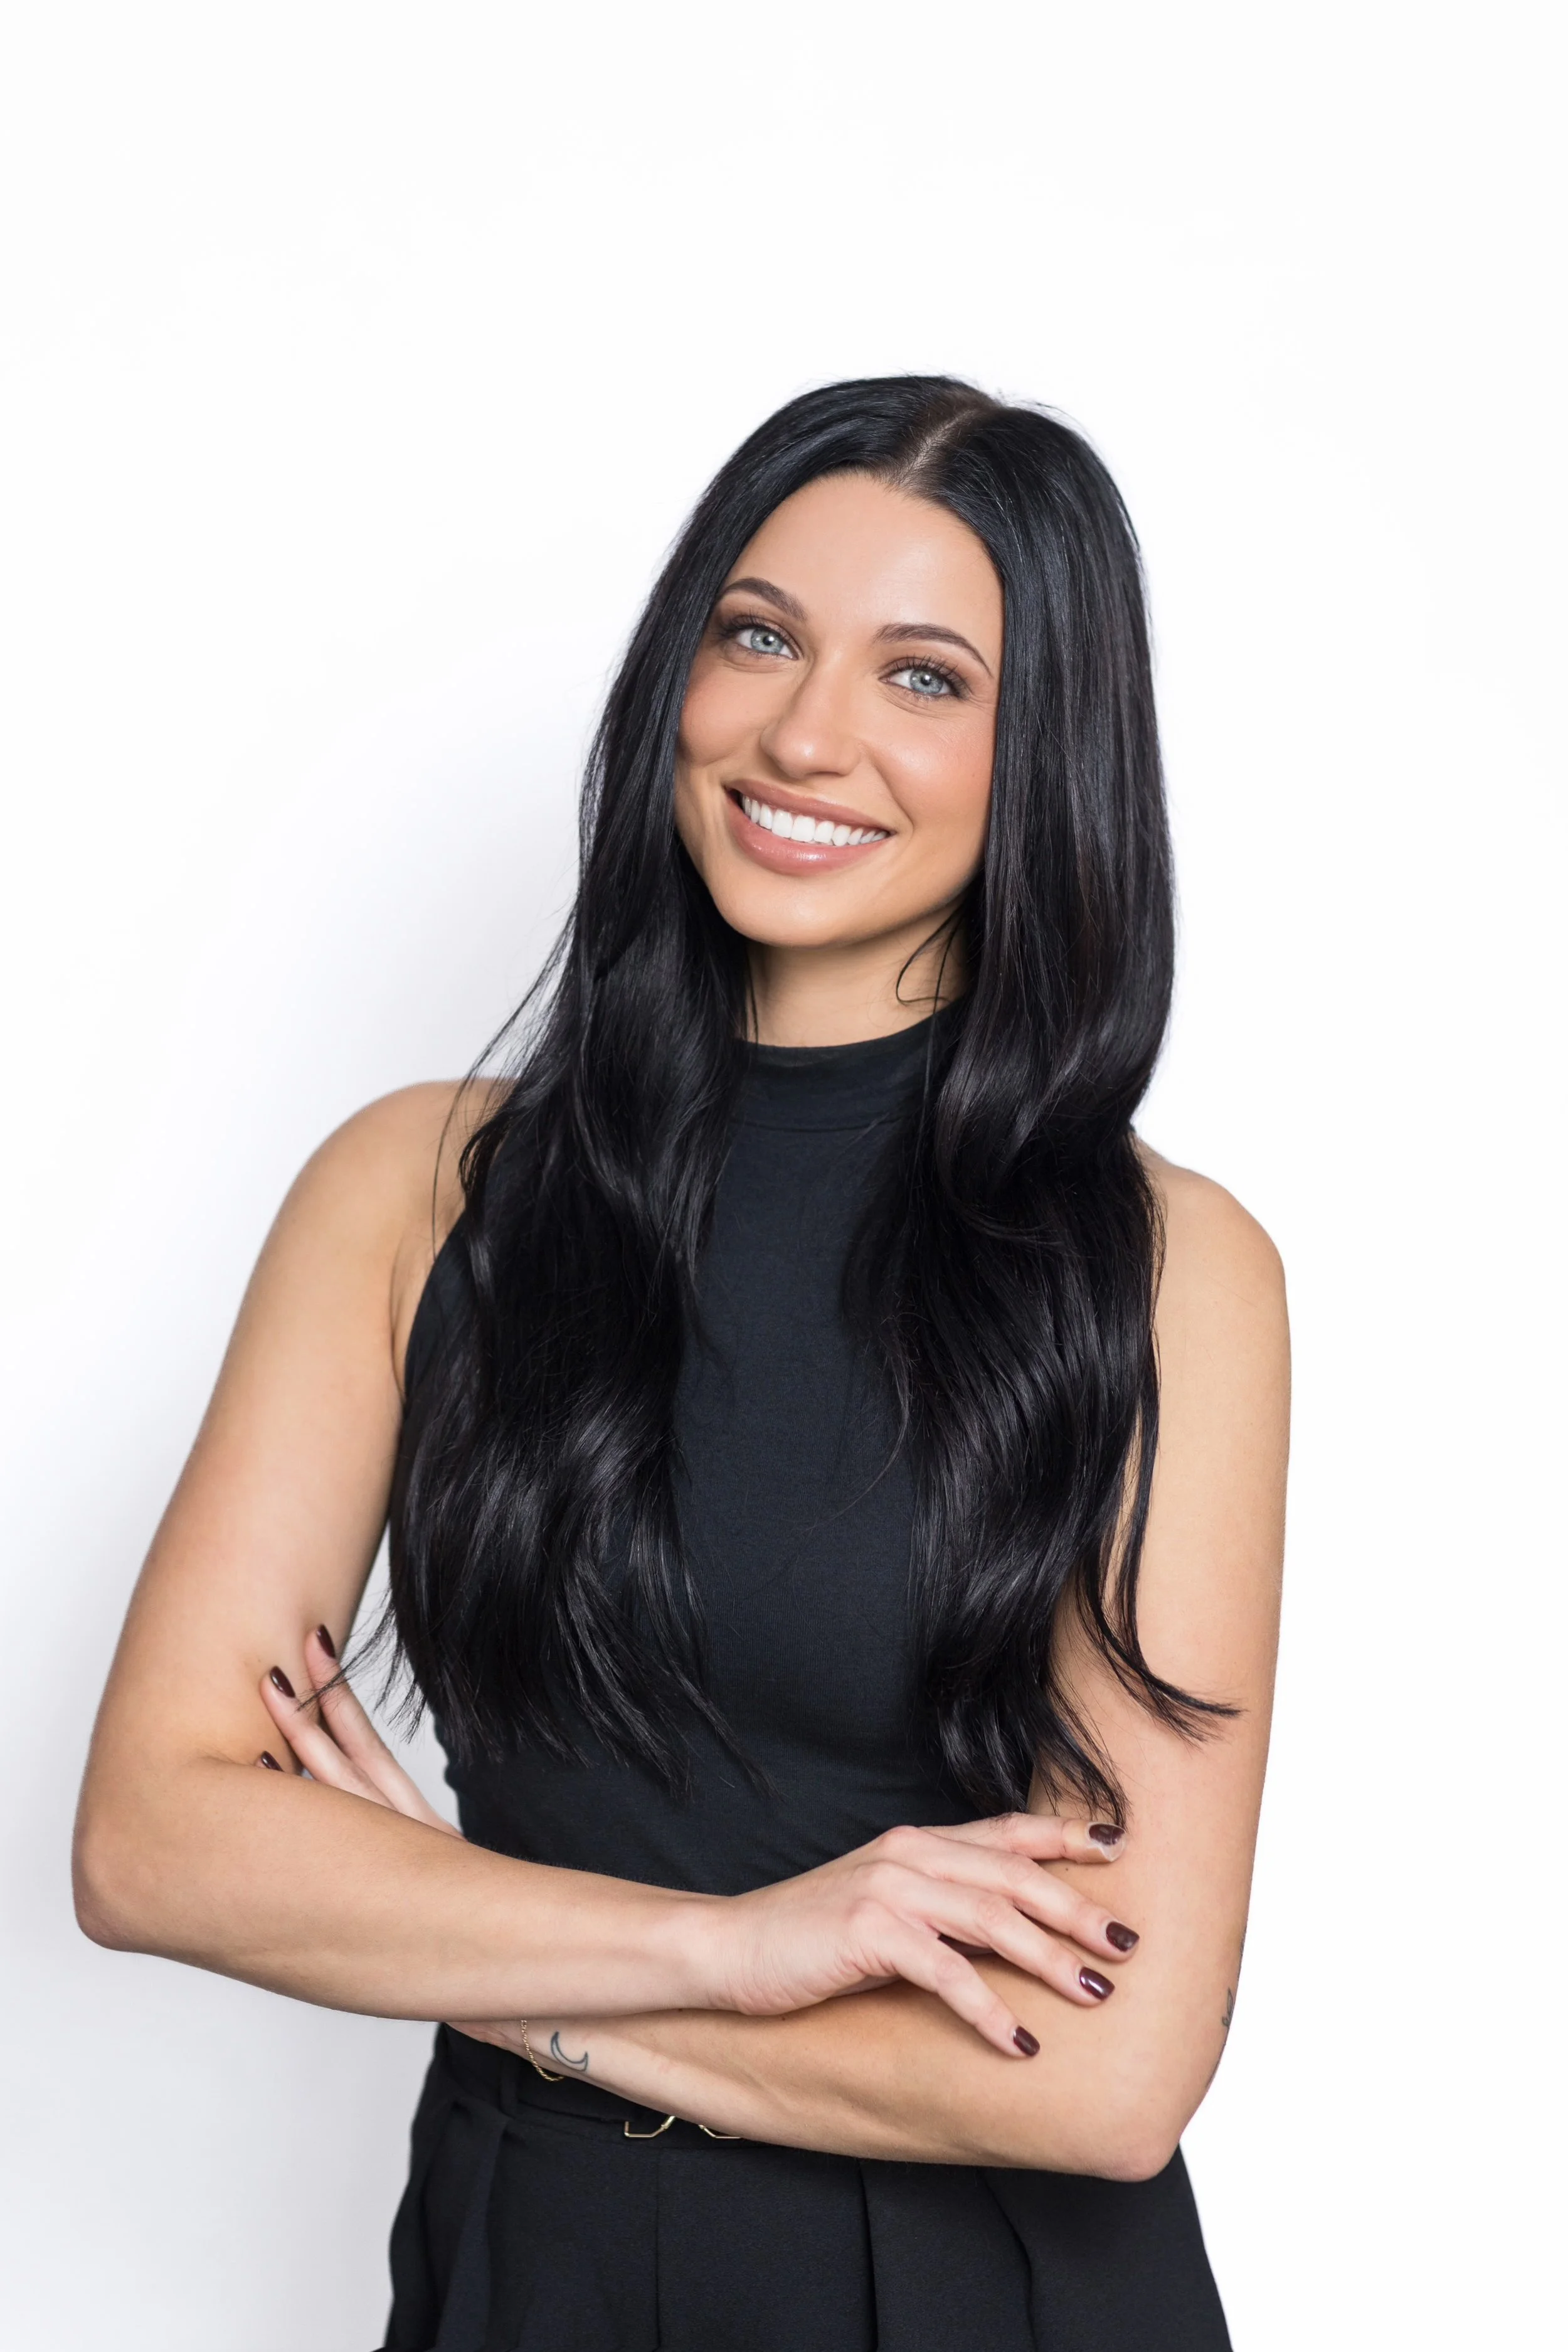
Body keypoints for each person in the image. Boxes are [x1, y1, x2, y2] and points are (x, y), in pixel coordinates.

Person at [74, 376, 1288, 2351]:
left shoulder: (1163, 1271)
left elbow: (1099, 2076)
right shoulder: (415, 1190)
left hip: (980, 2297)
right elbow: (149, 1838)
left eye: (923, 676)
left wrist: (465, 1954)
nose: (804, 733)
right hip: (521, 2263)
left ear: (1045, 750)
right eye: (757, 636)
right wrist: (725, 1948)